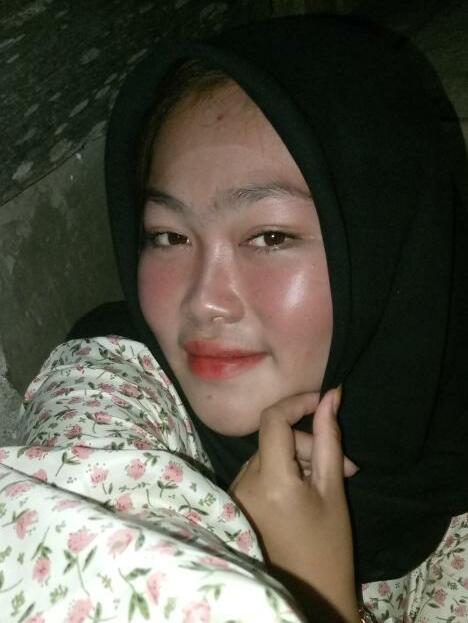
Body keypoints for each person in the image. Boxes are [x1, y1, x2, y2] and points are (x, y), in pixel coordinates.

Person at [1, 14, 467, 623]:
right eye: (168, 236)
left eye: (270, 237)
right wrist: (311, 598)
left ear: (393, 248)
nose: (205, 301)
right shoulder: (109, 386)